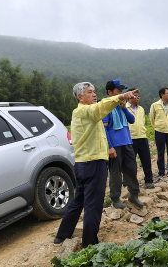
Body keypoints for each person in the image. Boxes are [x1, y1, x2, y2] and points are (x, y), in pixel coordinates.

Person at [54, 82, 138, 248]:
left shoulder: (85, 113)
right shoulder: (85, 110)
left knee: (79, 200)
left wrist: (107, 148)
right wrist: (120, 97)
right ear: (80, 97)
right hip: (93, 164)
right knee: (94, 206)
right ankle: (90, 245)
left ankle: (62, 236)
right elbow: (99, 109)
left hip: (83, 164)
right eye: (89, 92)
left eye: (94, 91)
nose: (94, 94)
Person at [103, 79, 144, 209]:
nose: (121, 94)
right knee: (115, 173)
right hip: (115, 145)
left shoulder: (121, 106)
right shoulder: (105, 107)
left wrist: (124, 108)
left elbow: (131, 120)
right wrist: (110, 147)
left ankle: (133, 195)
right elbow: (104, 128)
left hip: (127, 142)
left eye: (122, 91)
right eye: (118, 91)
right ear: (110, 92)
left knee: (131, 169)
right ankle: (115, 198)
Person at [125, 88, 155, 189]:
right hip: (130, 138)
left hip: (142, 137)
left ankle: (149, 180)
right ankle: (127, 182)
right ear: (129, 96)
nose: (138, 97)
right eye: (135, 94)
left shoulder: (141, 109)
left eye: (138, 95)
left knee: (146, 160)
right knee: (129, 162)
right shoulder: (124, 107)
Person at [149, 87, 168, 180]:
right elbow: (151, 118)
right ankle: (161, 173)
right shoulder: (155, 105)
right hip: (160, 131)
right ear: (162, 95)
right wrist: (157, 126)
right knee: (160, 152)